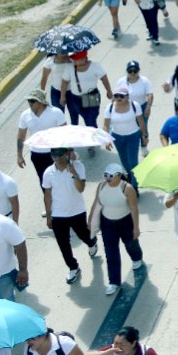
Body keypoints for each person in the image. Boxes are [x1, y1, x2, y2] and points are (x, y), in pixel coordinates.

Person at [42, 148, 98, 284]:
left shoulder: (78, 166)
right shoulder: (48, 172)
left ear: (67, 153)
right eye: (54, 155)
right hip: (58, 214)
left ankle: (92, 243)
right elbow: (47, 195)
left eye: (60, 154)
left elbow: (81, 189)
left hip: (77, 211)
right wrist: (49, 216)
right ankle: (73, 267)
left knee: (84, 234)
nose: (57, 158)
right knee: (63, 243)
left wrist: (74, 174)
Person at [88, 164, 143, 296]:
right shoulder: (101, 186)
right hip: (107, 224)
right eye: (105, 175)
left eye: (111, 176)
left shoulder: (127, 188)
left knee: (130, 243)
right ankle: (114, 281)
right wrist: (91, 220)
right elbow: (97, 203)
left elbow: (134, 209)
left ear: (118, 176)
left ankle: (137, 257)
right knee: (110, 252)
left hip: (125, 222)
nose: (108, 178)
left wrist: (136, 227)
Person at [17, 89, 66, 184]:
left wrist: (69, 151)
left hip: (55, 153)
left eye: (32, 101)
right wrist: (19, 155)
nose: (30, 103)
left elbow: (65, 133)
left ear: (40, 102)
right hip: (36, 154)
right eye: (29, 101)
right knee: (43, 181)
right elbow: (21, 136)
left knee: (60, 179)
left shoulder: (56, 112)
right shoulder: (25, 115)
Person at [101, 84, 147, 184]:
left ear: (127, 96)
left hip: (133, 137)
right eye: (116, 95)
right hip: (117, 137)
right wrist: (107, 139)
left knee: (133, 163)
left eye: (122, 96)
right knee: (124, 161)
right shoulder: (110, 107)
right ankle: (131, 178)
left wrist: (145, 135)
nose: (119, 98)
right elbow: (106, 125)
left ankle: (134, 187)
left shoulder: (135, 105)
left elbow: (141, 122)